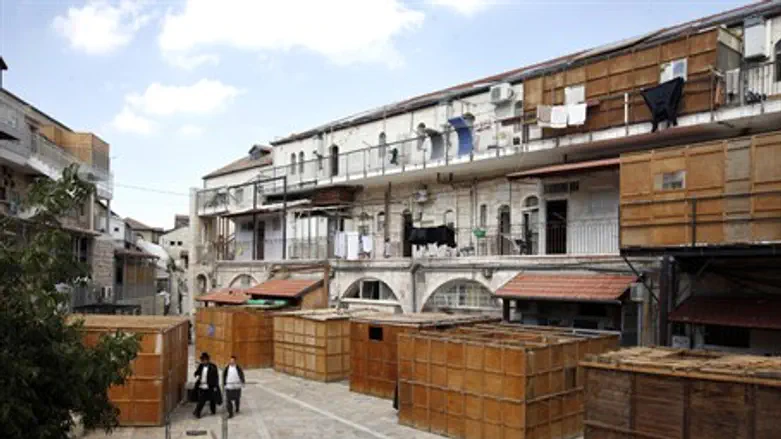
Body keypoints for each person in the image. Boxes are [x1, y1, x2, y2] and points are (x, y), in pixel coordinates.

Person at [193, 352, 220, 418]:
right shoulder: (201, 366)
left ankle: (213, 411)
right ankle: (197, 412)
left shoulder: (213, 366)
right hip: (202, 386)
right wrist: (196, 374)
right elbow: (196, 373)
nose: (204, 361)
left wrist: (215, 385)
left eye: (205, 360)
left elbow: (216, 377)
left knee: (212, 399)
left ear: (208, 360)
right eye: (202, 360)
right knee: (202, 400)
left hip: (210, 386)